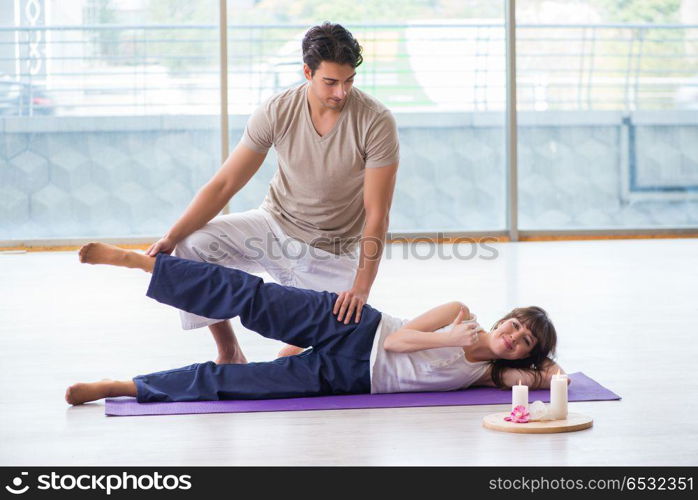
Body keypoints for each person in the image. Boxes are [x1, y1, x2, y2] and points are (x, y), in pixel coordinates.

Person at [144, 22, 399, 365]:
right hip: (273, 225)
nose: (341, 92)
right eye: (331, 82)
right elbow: (224, 184)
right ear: (307, 72)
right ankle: (229, 351)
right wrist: (172, 236)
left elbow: (377, 212)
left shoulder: (376, 120)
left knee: (346, 343)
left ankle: (300, 339)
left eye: (349, 81)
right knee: (192, 245)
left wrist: (363, 288)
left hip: (331, 249)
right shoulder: (277, 109)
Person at [65, 243, 569, 406]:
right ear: (503, 318)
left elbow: (551, 377)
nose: (513, 337)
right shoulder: (461, 315)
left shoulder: (489, 377)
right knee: (250, 296)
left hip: (347, 378)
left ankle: (123, 386)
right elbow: (395, 340)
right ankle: (141, 263)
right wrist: (451, 339)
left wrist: (541, 365)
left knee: (236, 382)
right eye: (515, 325)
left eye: (522, 342)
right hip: (351, 326)